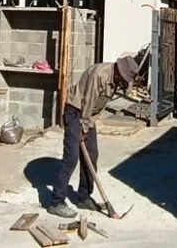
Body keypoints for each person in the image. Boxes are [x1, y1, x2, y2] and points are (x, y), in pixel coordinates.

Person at [47, 56, 140, 218]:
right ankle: (56, 202)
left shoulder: (116, 81)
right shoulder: (100, 75)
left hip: (89, 116)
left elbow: (98, 108)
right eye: (124, 79)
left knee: (92, 155)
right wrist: (83, 129)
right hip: (75, 112)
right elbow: (88, 103)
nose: (124, 83)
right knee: (71, 158)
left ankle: (83, 196)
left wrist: (88, 125)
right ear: (118, 72)